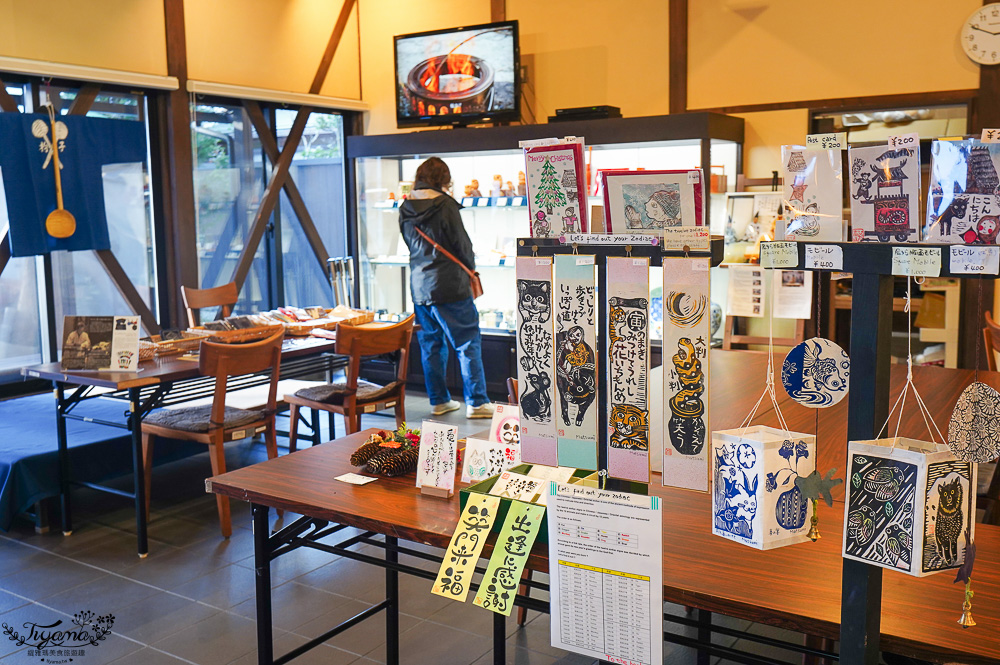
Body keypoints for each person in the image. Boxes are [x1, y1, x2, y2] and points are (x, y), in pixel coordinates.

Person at [398, 157, 494, 419]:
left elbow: (409, 243)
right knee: (466, 342)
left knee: (431, 344)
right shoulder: (445, 205)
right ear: (444, 179)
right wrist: (471, 268)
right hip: (450, 284)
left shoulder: (405, 206)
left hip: (420, 285)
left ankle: (438, 400)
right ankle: (476, 402)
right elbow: (461, 245)